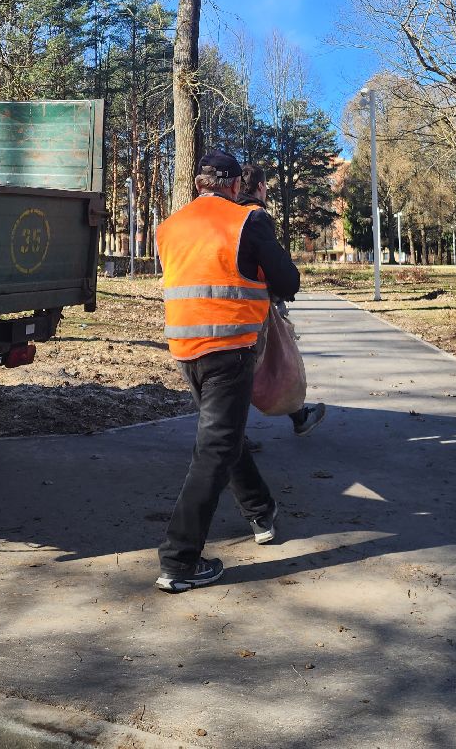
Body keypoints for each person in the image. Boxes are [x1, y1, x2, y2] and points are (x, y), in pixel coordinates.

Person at [153, 150, 300, 593]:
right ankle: (179, 560)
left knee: (225, 437)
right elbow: (288, 282)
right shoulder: (246, 222)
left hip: (185, 349)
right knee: (215, 450)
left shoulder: (168, 226)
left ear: (198, 182)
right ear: (235, 185)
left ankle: (260, 511)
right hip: (229, 351)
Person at [237, 162, 327, 437]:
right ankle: (296, 417)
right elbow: (275, 267)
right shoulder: (255, 217)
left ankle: (235, 438)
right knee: (277, 361)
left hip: (224, 305)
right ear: (262, 187)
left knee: (249, 368)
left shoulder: (228, 216)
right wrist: (288, 286)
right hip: (254, 305)